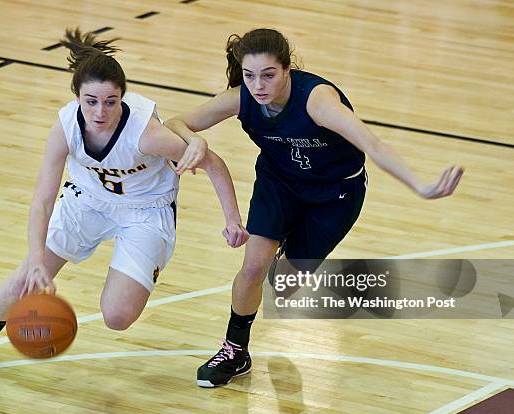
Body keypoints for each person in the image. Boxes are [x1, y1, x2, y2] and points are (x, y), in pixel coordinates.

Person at [165, 28, 464, 387]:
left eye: (268, 75)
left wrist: (421, 185)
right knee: (253, 267)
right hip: (279, 184)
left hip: (335, 194)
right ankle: (235, 350)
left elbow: (374, 144)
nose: (258, 85)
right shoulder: (241, 98)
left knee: (285, 284)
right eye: (249, 76)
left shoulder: (317, 101)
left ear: (288, 69)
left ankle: (286, 261)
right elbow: (175, 122)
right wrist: (194, 139)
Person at [0, 28, 249, 373]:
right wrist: (36, 259)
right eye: (91, 101)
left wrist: (232, 220)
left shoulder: (145, 133)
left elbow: (213, 163)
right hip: (87, 200)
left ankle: (132, 271)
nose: (100, 111)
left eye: (110, 102)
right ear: (77, 97)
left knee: (118, 316)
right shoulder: (65, 126)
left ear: (122, 97)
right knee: (27, 276)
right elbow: (43, 200)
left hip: (145, 210)